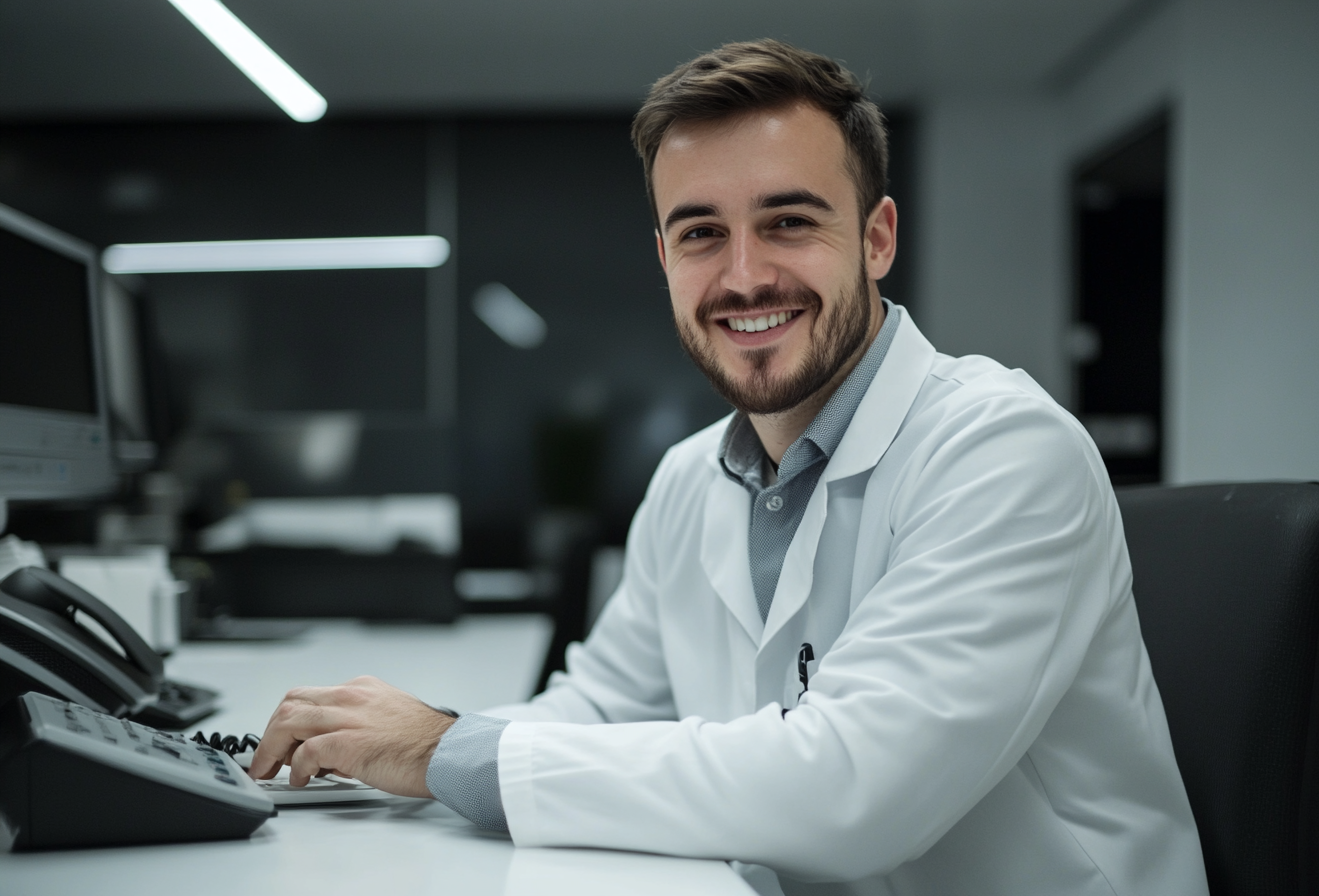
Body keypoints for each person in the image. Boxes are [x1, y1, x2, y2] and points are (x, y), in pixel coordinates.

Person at [249, 40, 1209, 896]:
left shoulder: (1001, 451)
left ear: (876, 239)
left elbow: (850, 791)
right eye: (703, 232)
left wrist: (446, 751)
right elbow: (603, 706)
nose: (745, 275)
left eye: (789, 221)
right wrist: (388, 751)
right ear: (665, 256)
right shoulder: (687, 480)